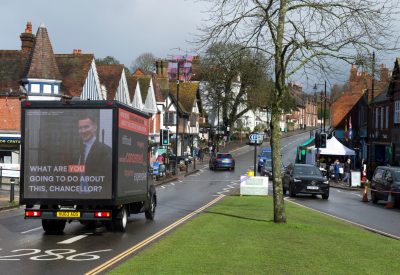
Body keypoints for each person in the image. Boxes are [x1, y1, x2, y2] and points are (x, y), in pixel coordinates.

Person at [77, 113, 112, 192]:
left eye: (86, 127)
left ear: (95, 127)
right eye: (80, 128)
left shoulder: (105, 150)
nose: (83, 131)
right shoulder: (77, 150)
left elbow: (107, 177)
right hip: (78, 194)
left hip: (96, 194)